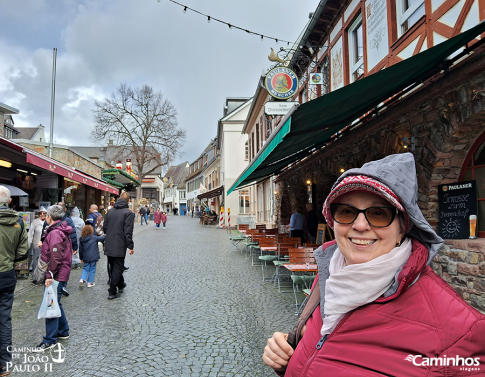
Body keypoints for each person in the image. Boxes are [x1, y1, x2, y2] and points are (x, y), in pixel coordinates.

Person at [263, 153, 485, 376]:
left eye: (379, 213)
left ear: (402, 228)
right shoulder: (328, 278)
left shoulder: (459, 331)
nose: (360, 225)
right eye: (347, 211)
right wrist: (286, 361)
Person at [33, 205, 73, 352]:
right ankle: (63, 331)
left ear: (50, 217)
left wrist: (50, 275)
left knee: (51, 304)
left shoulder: (55, 232)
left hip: (56, 274)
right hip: (61, 272)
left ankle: (49, 340)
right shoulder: (60, 229)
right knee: (56, 302)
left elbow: (55, 257)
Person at [0, 186, 28, 376]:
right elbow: (23, 253)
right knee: (4, 319)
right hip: (6, 274)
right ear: (10, 201)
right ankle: (4, 364)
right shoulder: (18, 221)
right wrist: (10, 260)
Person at [103, 192, 134, 300]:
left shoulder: (110, 211)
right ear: (128, 201)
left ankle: (120, 284)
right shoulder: (128, 213)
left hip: (109, 242)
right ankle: (112, 291)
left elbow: (105, 227)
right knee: (118, 267)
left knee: (114, 266)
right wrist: (130, 246)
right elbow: (128, 231)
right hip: (119, 243)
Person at [28, 207, 46, 272]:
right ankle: (35, 274)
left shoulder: (48, 221)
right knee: (36, 258)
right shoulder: (35, 222)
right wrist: (29, 243)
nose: (42, 215)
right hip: (37, 244)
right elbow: (30, 233)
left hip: (46, 244)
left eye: (44, 213)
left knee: (45, 260)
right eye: (40, 213)